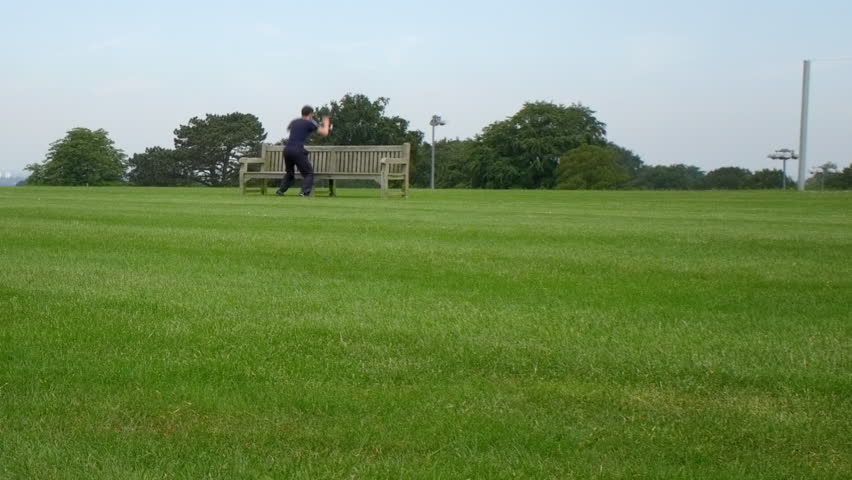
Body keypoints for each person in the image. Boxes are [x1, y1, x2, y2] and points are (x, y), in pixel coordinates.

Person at [276, 106, 331, 197]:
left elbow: (289, 129)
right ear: (310, 114)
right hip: (297, 150)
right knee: (308, 173)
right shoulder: (309, 122)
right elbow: (325, 132)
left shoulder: (294, 121)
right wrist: (326, 122)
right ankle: (304, 192)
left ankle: (281, 190)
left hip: (287, 150)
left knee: (289, 173)